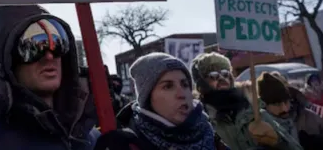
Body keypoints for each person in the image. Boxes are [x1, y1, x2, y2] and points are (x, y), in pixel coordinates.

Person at [0, 5, 99, 150]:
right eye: (33, 46)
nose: (49, 56)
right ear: (4, 62)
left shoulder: (93, 138)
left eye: (58, 43)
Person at [96, 52, 228, 150]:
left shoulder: (209, 134)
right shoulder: (124, 144)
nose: (181, 94)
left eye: (185, 84)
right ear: (148, 98)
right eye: (168, 86)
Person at [191, 52, 302, 150]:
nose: (221, 78)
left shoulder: (254, 111)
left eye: (225, 73)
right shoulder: (201, 121)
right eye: (213, 76)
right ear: (202, 84)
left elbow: (295, 146)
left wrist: (277, 140)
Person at [258, 71, 323, 150]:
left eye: (286, 101)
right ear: (264, 105)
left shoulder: (310, 116)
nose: (284, 108)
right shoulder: (259, 131)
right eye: (277, 104)